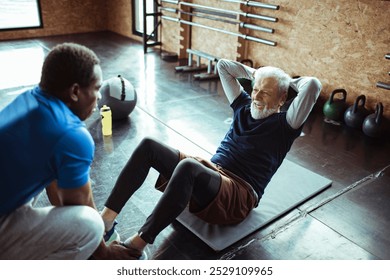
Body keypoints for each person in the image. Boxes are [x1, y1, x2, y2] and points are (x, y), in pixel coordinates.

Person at [96, 59, 322, 260]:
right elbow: (223, 66)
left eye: (266, 93)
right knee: (149, 146)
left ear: (282, 98)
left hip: (239, 193)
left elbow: (313, 85)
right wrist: (259, 75)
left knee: (189, 166)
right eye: (256, 90)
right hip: (211, 175)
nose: (257, 97)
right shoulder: (243, 105)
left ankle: (134, 247)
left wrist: (283, 80)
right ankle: (106, 220)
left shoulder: (287, 124)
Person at [0, 43, 132, 259]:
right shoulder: (71, 134)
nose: (99, 97)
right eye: (97, 88)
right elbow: (79, 205)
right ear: (75, 91)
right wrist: (105, 254)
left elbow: (54, 182)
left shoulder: (30, 98)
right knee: (90, 225)